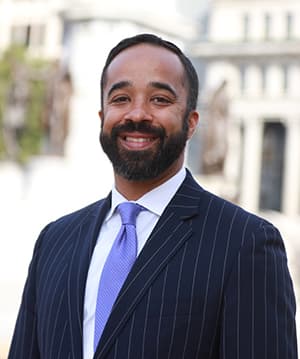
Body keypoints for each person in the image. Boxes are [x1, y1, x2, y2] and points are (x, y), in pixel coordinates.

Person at [8, 33, 297, 359]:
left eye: (159, 99)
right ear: (102, 118)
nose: (137, 114)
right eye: (120, 99)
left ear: (191, 123)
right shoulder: (54, 241)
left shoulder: (246, 243)